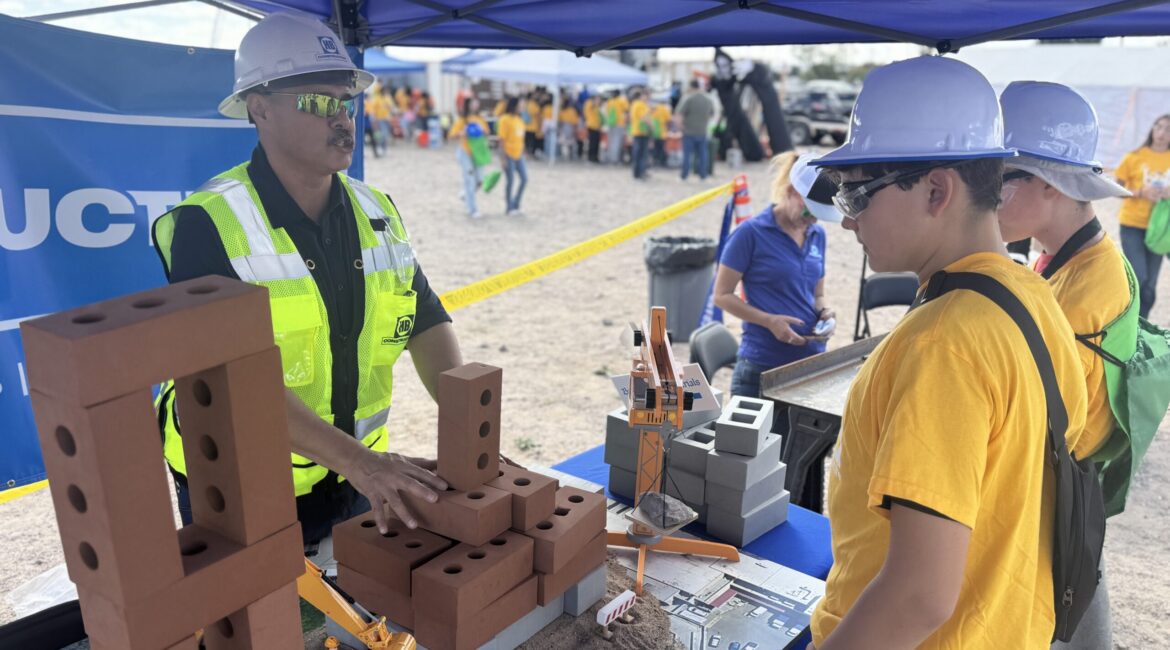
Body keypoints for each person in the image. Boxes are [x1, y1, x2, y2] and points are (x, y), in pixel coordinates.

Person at [808, 56, 1087, 649]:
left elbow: (919, 596)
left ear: (937, 190)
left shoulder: (944, 344)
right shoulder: (1032, 296)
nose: (848, 222)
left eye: (856, 194)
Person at [150, 13, 459, 544]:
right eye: (318, 103)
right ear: (260, 109)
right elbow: (228, 378)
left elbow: (425, 319)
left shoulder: (376, 209)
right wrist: (361, 463)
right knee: (261, 601)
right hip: (241, 481)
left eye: (346, 103)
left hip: (351, 476)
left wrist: (466, 421)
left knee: (351, 595)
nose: (342, 119)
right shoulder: (210, 224)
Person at [996, 80, 1135, 650]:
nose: (987, 195)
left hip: (1059, 492)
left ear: (1049, 184)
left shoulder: (1088, 284)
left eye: (1000, 179)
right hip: (1062, 487)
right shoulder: (1059, 258)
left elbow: (1044, 413)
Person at [712, 152, 841, 398]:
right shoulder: (750, 233)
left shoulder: (817, 234)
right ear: (791, 192)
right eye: (808, 212)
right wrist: (769, 321)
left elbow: (818, 293)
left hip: (809, 362)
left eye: (818, 216)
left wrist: (825, 312)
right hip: (762, 364)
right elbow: (721, 295)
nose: (812, 221)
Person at [1115, 113, 1170, 318]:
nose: (1162, 133)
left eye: (1168, 129)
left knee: (1150, 285)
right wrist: (1140, 192)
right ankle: (1129, 320)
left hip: (1159, 229)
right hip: (1132, 225)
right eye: (1159, 127)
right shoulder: (1134, 157)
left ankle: (1141, 324)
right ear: (1152, 129)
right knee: (1138, 277)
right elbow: (1116, 188)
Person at [448, 97, 490, 219]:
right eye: (473, 103)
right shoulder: (462, 120)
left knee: (479, 180)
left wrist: (482, 131)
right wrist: (462, 133)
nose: (475, 105)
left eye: (477, 103)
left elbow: (487, 132)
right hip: (465, 152)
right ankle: (472, 209)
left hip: (478, 153)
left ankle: (465, 194)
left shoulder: (480, 119)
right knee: (469, 180)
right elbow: (451, 135)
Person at [676, 80, 714, 181]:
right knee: (703, 155)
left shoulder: (688, 98)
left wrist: (681, 127)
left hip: (689, 131)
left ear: (691, 87)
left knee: (687, 155)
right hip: (702, 131)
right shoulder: (708, 99)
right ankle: (703, 176)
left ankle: (684, 176)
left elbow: (679, 115)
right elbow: (711, 115)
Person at [497, 97, 528, 217]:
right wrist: (502, 158)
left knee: (524, 179)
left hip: (519, 154)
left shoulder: (520, 120)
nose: (522, 107)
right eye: (520, 105)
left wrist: (524, 151)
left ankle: (516, 203)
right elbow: (501, 140)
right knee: (510, 181)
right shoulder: (505, 119)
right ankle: (509, 207)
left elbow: (521, 138)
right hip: (508, 154)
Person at [629, 89, 651, 180]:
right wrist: (651, 125)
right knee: (642, 153)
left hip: (637, 131)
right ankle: (640, 172)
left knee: (638, 153)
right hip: (641, 131)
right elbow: (644, 117)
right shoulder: (640, 105)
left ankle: (638, 172)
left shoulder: (635, 104)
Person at [604, 89, 629, 164]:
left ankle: (609, 157)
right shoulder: (622, 101)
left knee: (610, 141)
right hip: (619, 123)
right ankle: (615, 159)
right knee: (617, 142)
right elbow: (627, 110)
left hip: (611, 123)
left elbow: (607, 112)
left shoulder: (609, 101)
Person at [558, 96, 580, 161]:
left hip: (566, 127)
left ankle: (566, 155)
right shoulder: (570, 110)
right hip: (568, 126)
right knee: (568, 142)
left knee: (566, 142)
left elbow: (560, 120)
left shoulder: (564, 110)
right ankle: (568, 155)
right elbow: (575, 121)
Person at [651, 99, 671, 167]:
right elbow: (668, 120)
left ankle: (655, 161)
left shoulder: (654, 108)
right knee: (662, 148)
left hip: (654, 131)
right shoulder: (665, 109)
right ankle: (662, 162)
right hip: (662, 132)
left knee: (655, 147)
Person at [584, 93, 602, 163]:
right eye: (598, 99)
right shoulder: (589, 103)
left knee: (596, 143)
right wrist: (595, 102)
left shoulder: (596, 107)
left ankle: (595, 157)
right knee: (592, 143)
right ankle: (590, 157)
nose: (599, 101)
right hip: (592, 126)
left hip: (597, 127)